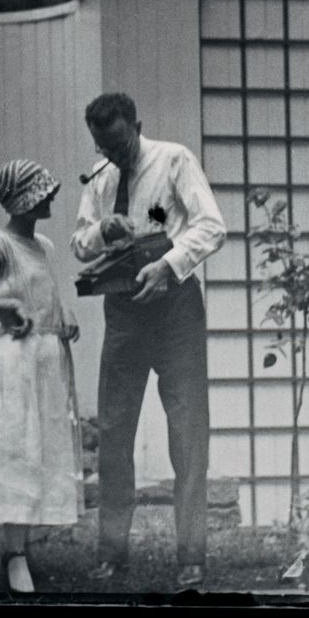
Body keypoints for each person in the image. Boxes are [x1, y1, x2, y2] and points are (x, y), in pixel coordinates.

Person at [70, 92, 225, 590]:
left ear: (136, 125)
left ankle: (192, 556)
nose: (112, 154)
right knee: (114, 431)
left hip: (176, 308)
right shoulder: (100, 178)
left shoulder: (174, 159)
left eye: (118, 143)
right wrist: (100, 230)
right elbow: (78, 244)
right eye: (102, 146)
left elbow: (211, 226)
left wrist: (170, 264)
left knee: (187, 431)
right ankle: (112, 553)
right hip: (125, 311)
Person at [0, 159, 85, 594]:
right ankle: (14, 554)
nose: (51, 198)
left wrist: (63, 319)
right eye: (42, 193)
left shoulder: (43, 245)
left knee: (40, 454)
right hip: (15, 363)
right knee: (16, 452)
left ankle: (22, 549)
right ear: (23, 200)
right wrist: (5, 307)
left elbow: (44, 296)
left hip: (48, 361)